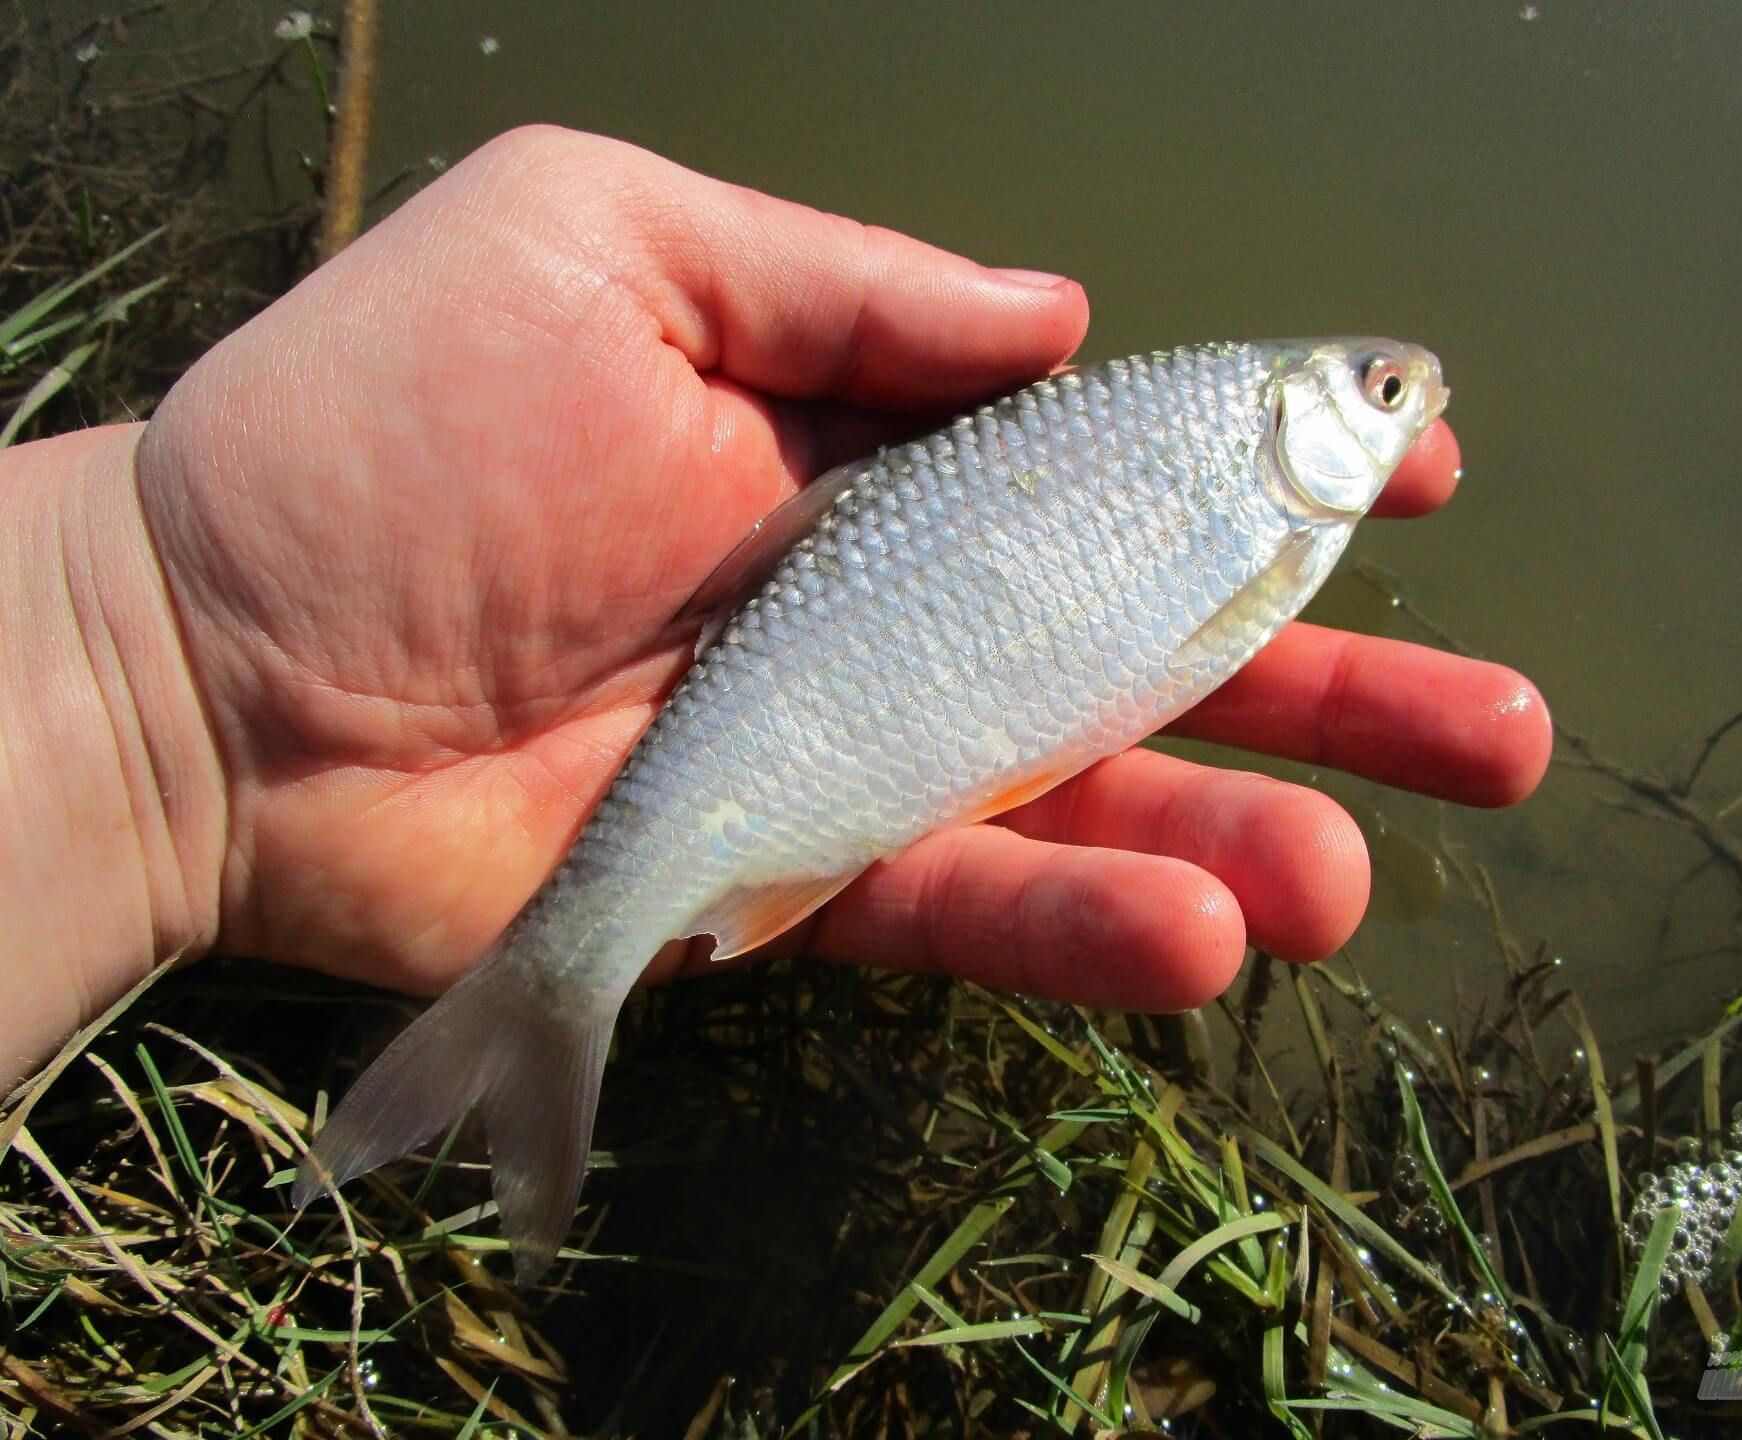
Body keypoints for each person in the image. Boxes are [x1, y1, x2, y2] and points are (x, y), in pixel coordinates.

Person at [0, 126, 1551, 1093]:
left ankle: (537, 1013)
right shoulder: (1250, 460)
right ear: (1307, 413)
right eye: (1382, 389)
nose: (1402, 400)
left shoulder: (1262, 487)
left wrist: (139, 645)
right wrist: (157, 633)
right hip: (819, 683)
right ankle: (555, 991)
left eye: (1391, 390)